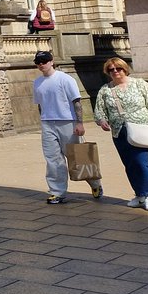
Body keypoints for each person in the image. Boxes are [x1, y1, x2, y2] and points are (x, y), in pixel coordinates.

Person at [94, 58, 148, 211]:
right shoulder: (105, 90)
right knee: (130, 164)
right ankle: (140, 194)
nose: (115, 71)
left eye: (118, 68)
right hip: (120, 132)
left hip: (141, 130)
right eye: (111, 69)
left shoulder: (140, 84)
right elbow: (99, 110)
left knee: (141, 162)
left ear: (125, 68)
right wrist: (102, 121)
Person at [31, 51, 101, 204]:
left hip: (68, 122)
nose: (41, 64)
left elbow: (76, 101)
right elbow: (40, 105)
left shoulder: (65, 79)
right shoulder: (37, 82)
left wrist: (80, 123)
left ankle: (95, 184)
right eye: (38, 62)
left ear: (51, 61)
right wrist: (43, 120)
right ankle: (57, 192)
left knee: (77, 158)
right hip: (48, 123)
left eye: (44, 61)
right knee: (53, 159)